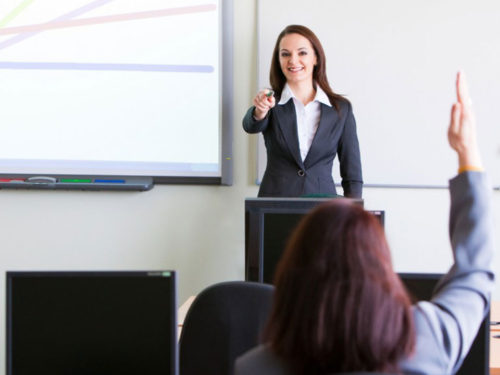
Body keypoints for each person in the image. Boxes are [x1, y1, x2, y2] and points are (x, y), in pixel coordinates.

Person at [235, 71, 495, 374]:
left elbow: (352, 168)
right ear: (381, 269)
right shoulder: (426, 341)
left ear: (292, 275)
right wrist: (468, 153)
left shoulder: (257, 366)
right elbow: (475, 274)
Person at [243, 25, 363, 198]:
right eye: (285, 54)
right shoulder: (270, 102)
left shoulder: (340, 108)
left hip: (323, 210)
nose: (293, 60)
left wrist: (353, 215)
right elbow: (250, 125)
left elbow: (352, 174)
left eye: (302, 53)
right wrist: (259, 111)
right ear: (278, 60)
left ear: (316, 58)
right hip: (275, 206)